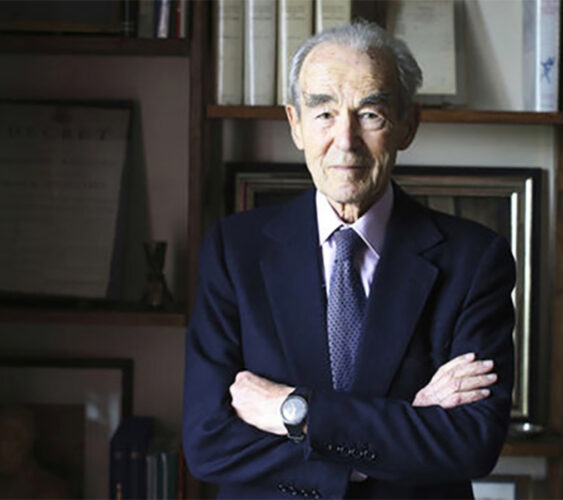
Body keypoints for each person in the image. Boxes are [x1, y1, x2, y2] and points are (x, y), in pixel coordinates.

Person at [182, 21, 516, 499]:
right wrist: (404, 427)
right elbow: (208, 443)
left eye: (370, 115)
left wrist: (294, 411)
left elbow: (472, 443)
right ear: (295, 124)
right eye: (324, 113)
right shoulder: (234, 251)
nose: (345, 140)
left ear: (408, 124)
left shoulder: (475, 260)